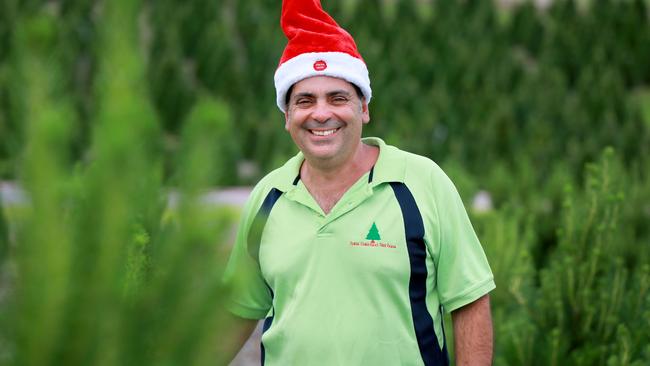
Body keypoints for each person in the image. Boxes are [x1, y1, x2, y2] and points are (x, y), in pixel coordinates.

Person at [221, 1, 495, 365]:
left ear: (363, 108)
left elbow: (471, 302)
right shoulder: (268, 198)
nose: (321, 113)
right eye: (305, 100)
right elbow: (237, 313)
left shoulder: (422, 183)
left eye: (338, 98)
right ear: (287, 116)